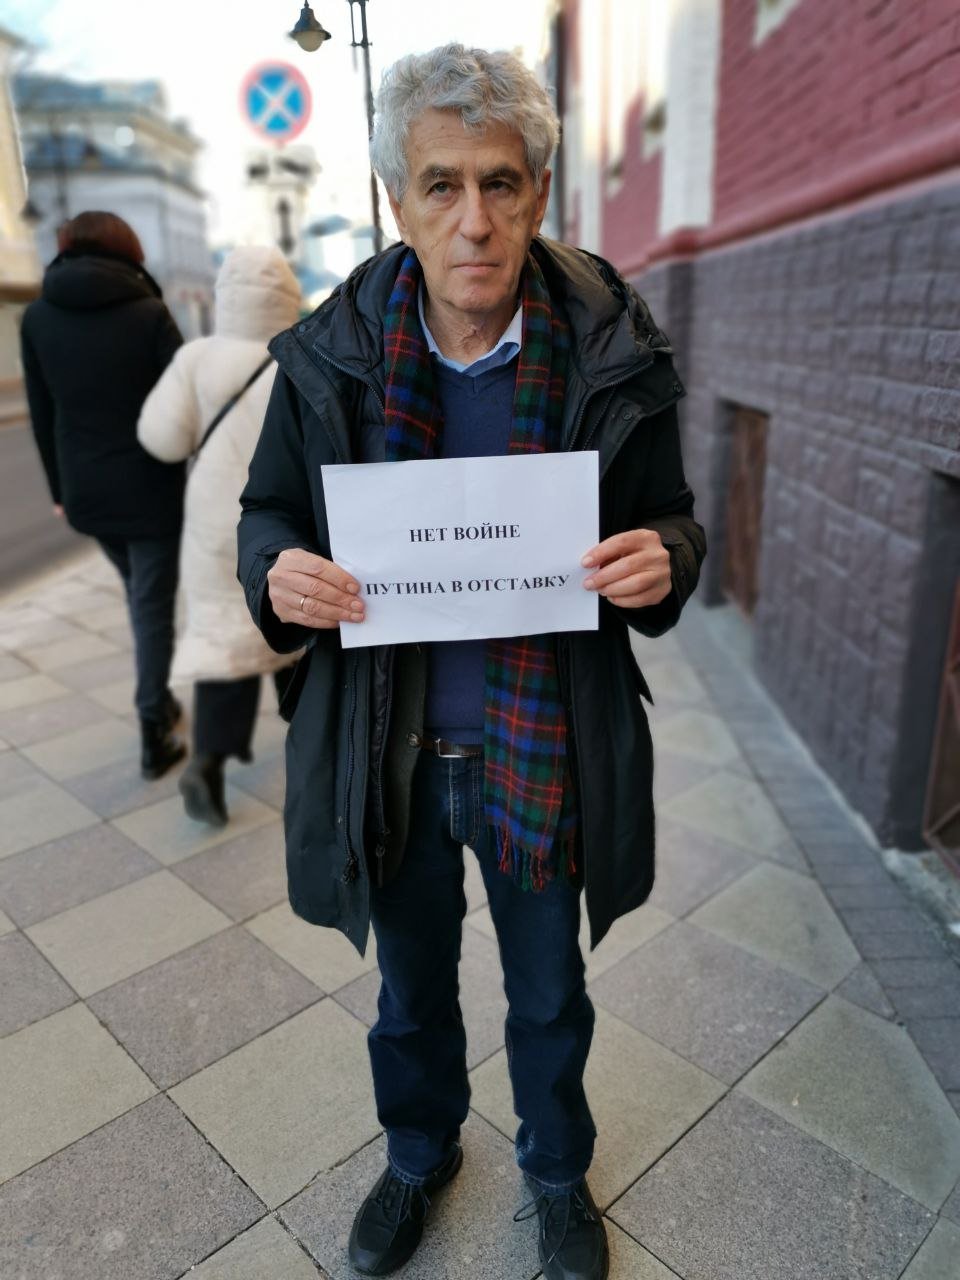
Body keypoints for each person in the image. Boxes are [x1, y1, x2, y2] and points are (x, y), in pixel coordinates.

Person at [238, 44, 706, 1280]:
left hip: (540, 743)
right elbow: (268, 513)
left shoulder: (612, 348)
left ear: (541, 192)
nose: (476, 221)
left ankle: (556, 1172)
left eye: (502, 184)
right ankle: (418, 1151)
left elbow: (674, 513)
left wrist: (666, 554)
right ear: (399, 199)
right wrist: (278, 571)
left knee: (550, 993)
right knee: (410, 992)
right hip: (391, 750)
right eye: (441, 186)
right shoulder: (333, 353)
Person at [138, 246, 302, 825]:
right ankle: (315, 740)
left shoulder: (196, 358)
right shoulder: (300, 357)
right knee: (296, 623)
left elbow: (161, 438)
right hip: (286, 516)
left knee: (225, 639)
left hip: (214, 517)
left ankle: (206, 763)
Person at [21, 211, 186, 779]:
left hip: (85, 488)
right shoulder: (149, 312)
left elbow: (43, 415)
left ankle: (158, 703)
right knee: (151, 606)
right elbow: (180, 403)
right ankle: (153, 728)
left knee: (140, 595)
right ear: (127, 248)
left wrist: (58, 490)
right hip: (151, 485)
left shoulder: (37, 316)